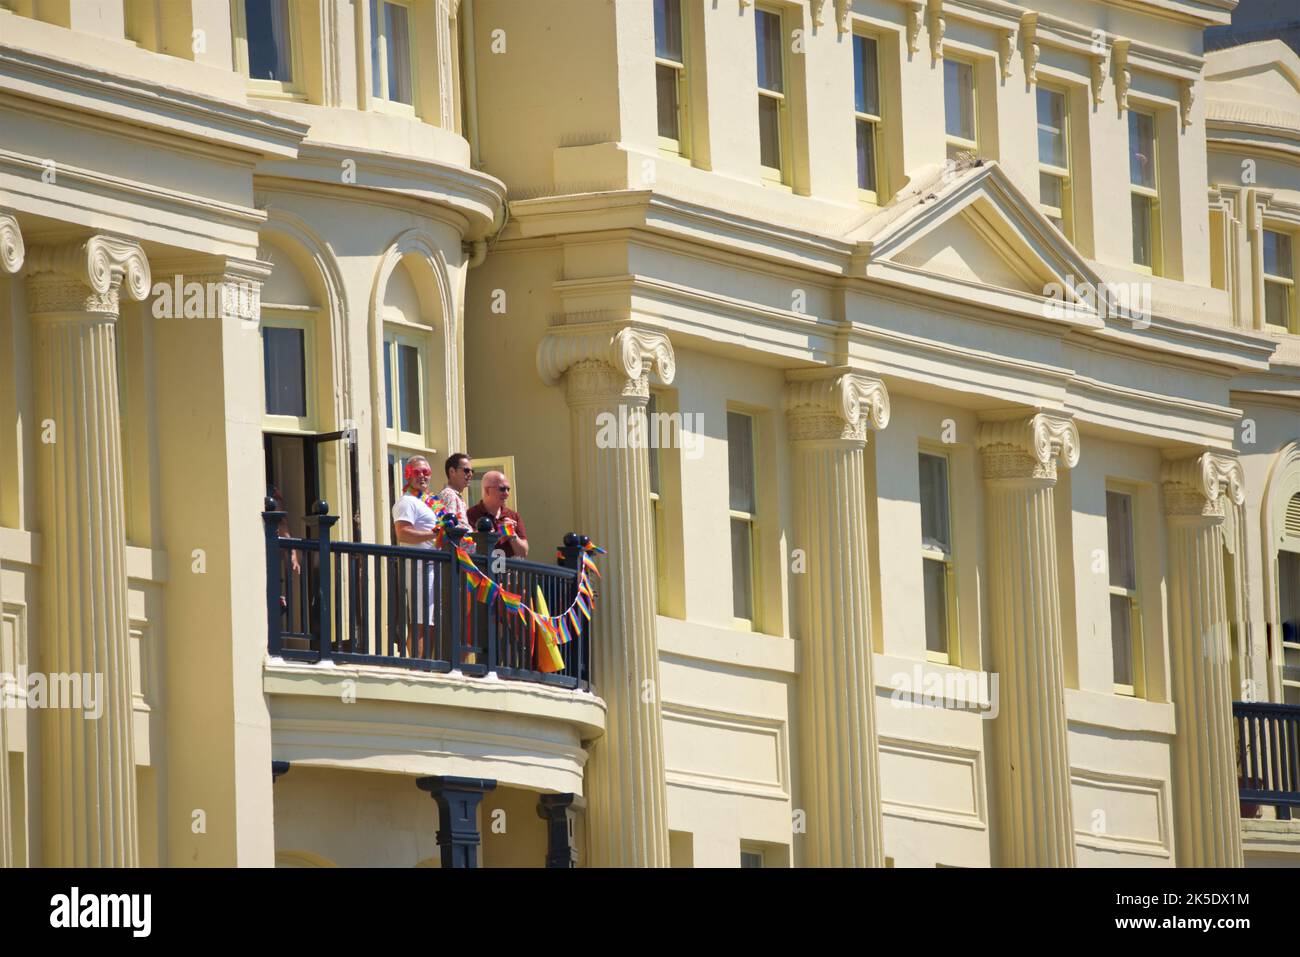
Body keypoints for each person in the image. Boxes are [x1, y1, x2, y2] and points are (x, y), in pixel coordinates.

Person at [391, 456, 441, 658]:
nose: (422, 476)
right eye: (417, 472)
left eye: (426, 472)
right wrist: (436, 534)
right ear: (408, 474)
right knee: (421, 621)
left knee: (431, 622)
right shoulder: (407, 502)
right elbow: (402, 534)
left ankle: (425, 664)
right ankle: (418, 666)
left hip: (435, 566)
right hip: (420, 567)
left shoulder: (429, 502)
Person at [467, 470, 529, 558]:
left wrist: (512, 535)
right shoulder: (470, 515)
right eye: (502, 489)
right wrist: (500, 534)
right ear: (487, 490)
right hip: (484, 571)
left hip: (508, 571)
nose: (507, 494)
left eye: (508, 489)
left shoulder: (513, 515)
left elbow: (523, 553)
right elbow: (471, 550)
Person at [437, 452, 473, 535]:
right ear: (452, 471)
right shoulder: (449, 495)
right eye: (466, 470)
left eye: (472, 471)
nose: (470, 474)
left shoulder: (455, 495)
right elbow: (450, 529)